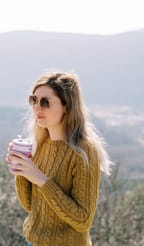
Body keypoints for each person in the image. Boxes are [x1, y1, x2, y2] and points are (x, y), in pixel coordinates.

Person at [6, 71, 112, 246]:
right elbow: (31, 206)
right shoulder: (40, 144)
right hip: (32, 242)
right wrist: (22, 171)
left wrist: (41, 179)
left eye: (45, 102)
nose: (37, 107)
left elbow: (83, 219)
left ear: (67, 107)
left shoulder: (85, 151)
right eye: (34, 100)